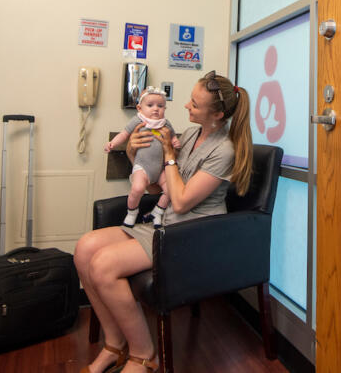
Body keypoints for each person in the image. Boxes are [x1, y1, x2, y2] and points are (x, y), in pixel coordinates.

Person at [74, 71, 253, 373]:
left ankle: (144, 355)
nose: (185, 106)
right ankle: (115, 344)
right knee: (84, 249)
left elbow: (182, 200)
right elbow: (161, 188)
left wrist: (170, 154)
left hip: (192, 235)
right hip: (166, 224)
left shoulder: (224, 151)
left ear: (218, 114)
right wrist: (134, 153)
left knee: (103, 265)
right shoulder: (194, 134)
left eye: (194, 104)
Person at [105, 86, 181, 228]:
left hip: (160, 170)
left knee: (171, 190)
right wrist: (112, 144)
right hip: (143, 167)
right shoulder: (139, 121)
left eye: (160, 106)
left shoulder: (165, 123)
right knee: (137, 189)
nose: (156, 109)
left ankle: (158, 212)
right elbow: (124, 134)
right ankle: (132, 213)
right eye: (150, 105)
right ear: (140, 108)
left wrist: (175, 141)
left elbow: (172, 136)